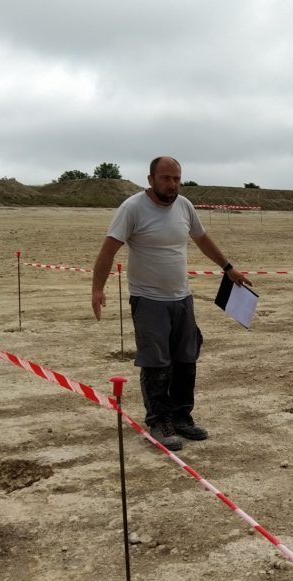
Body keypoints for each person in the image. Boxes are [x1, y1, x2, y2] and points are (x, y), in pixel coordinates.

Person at [91, 156, 252, 452]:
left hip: (182, 298)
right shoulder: (132, 208)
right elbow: (108, 250)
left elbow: (202, 239)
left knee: (186, 359)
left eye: (176, 179)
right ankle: (158, 421)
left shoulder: (184, 206)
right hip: (148, 299)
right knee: (156, 362)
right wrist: (97, 290)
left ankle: (181, 416)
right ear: (150, 179)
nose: (172, 185)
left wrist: (228, 267)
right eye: (166, 178)